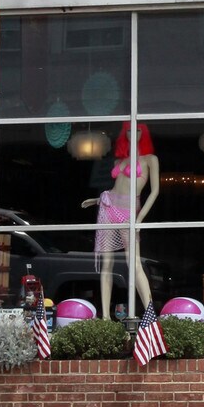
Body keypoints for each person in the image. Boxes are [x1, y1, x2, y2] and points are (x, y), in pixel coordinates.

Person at [81, 121, 159, 318]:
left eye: (138, 129)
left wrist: (140, 218)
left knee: (133, 262)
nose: (134, 133)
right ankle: (106, 317)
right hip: (108, 205)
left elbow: (155, 191)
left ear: (145, 133)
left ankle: (150, 313)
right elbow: (117, 188)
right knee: (107, 263)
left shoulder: (150, 159)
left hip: (129, 212)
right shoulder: (119, 161)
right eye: (130, 130)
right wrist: (98, 199)